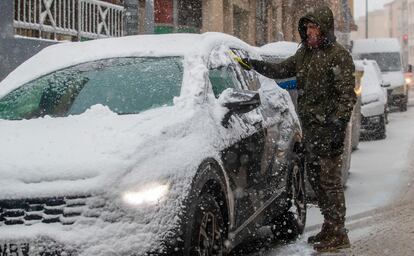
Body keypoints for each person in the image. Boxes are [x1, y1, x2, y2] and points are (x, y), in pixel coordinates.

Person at [239, 6, 356, 252]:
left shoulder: (338, 56)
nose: (311, 32)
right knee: (316, 180)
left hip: (329, 130)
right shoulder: (304, 54)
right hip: (311, 131)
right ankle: (329, 225)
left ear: (325, 29)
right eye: (308, 28)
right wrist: (252, 64)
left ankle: (338, 232)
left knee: (330, 182)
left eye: (315, 28)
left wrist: (338, 125)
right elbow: (280, 70)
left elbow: (347, 96)